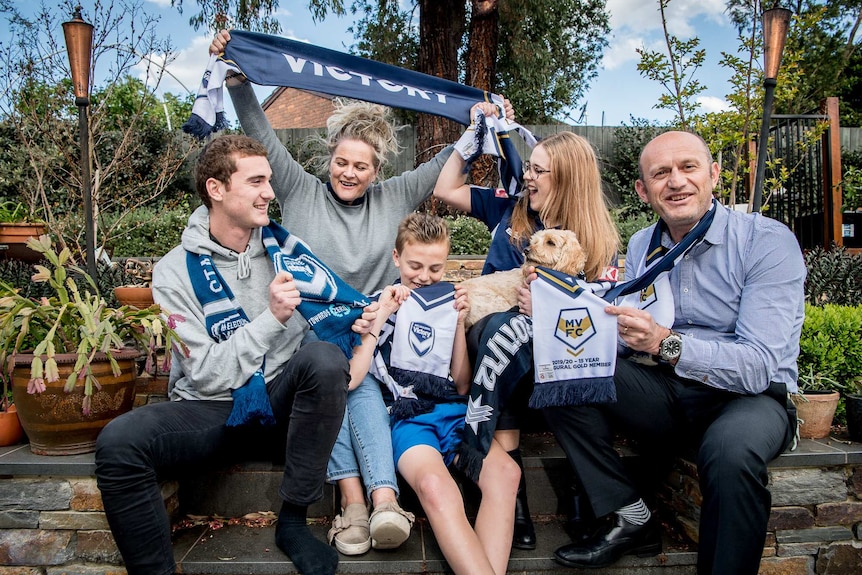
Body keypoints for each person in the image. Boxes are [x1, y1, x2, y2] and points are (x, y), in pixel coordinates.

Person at [208, 33, 515, 554]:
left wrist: (479, 121)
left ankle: (366, 503)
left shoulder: (394, 197)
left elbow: (440, 166)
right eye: (343, 162)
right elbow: (259, 129)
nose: (349, 172)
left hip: (375, 337)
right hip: (307, 342)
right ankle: (368, 498)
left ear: (377, 172)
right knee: (333, 373)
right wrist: (236, 73)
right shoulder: (299, 188)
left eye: (363, 166)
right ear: (331, 159)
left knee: (363, 381)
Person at [95, 135, 373, 575]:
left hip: (280, 412)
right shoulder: (173, 271)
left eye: (270, 180)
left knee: (324, 359)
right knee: (118, 443)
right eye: (257, 181)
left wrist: (359, 317)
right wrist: (271, 318)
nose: (270, 192)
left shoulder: (287, 254)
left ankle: (293, 522)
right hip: (212, 412)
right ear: (217, 189)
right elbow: (203, 374)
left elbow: (333, 312)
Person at [543, 130, 803, 574]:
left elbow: (759, 366)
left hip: (748, 400)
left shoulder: (766, 241)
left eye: (688, 167)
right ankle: (630, 514)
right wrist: (559, 305)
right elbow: (630, 319)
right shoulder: (645, 242)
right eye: (661, 174)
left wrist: (665, 342)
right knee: (558, 363)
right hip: (668, 386)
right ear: (644, 190)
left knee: (731, 454)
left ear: (713, 175)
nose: (676, 182)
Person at [433, 125, 620, 549]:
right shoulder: (510, 207)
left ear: (568, 177)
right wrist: (473, 136)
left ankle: (576, 489)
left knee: (518, 337)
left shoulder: (593, 239)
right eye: (529, 168)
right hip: (493, 330)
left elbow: (598, 315)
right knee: (502, 332)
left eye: (538, 170)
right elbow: (446, 189)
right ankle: (510, 497)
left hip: (555, 343)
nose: (528, 177)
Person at [354, 212, 520, 575]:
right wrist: (382, 315)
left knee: (506, 473)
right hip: (407, 418)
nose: (424, 277)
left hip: (453, 411)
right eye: (415, 265)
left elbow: (461, 384)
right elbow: (354, 377)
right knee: (434, 486)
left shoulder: (447, 304)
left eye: (435, 268)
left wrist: (458, 324)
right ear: (396, 258)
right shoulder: (377, 303)